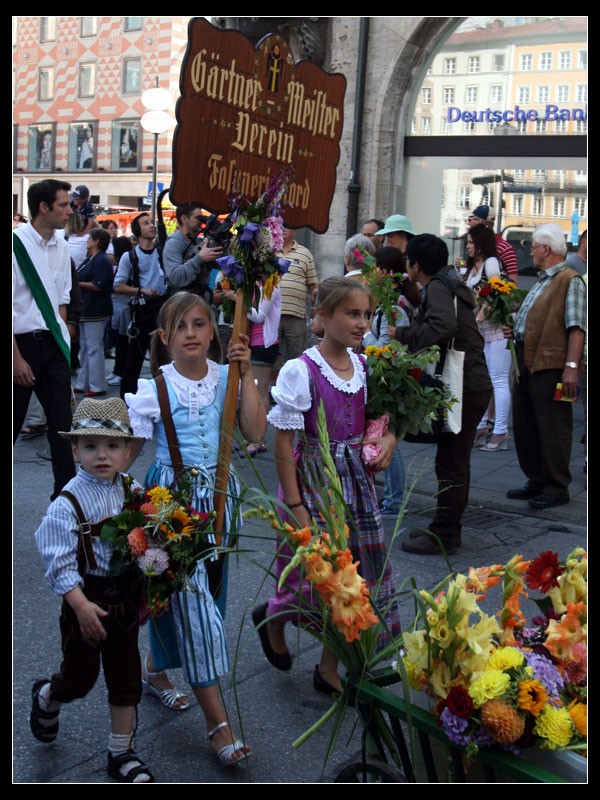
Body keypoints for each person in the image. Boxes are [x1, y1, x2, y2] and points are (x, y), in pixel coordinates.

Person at [125, 291, 265, 766]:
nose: (191, 334)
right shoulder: (155, 387)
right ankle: (217, 724)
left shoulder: (230, 377)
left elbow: (255, 433)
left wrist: (247, 375)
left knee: (205, 603)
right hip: (173, 509)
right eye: (181, 327)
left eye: (200, 324)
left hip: (224, 505)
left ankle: (155, 668)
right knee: (198, 612)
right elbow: (127, 455)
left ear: (214, 334)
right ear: (165, 339)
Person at [253, 276, 400, 694]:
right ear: (323, 315)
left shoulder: (366, 365)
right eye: (352, 313)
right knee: (314, 579)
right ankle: (274, 616)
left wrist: (387, 438)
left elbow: (382, 418)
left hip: (355, 483)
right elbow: (283, 442)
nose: (362, 323)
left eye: (367, 314)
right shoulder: (303, 370)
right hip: (314, 481)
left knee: (352, 577)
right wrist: (296, 505)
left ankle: (328, 668)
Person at [31, 397, 154, 783]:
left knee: (126, 675)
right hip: (85, 601)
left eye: (112, 446)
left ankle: (121, 752)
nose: (102, 455)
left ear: (127, 451)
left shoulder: (132, 490)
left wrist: (154, 582)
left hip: (125, 600)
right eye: (90, 446)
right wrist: (80, 605)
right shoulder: (67, 503)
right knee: (79, 678)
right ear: (74, 450)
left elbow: (148, 538)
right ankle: (49, 695)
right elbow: (58, 560)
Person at [390, 234, 492, 556]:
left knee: (450, 462)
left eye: (408, 260)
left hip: (463, 384)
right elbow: (447, 319)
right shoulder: (448, 282)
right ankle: (448, 530)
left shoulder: (437, 286)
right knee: (456, 461)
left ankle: (444, 535)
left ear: (415, 264)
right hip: (472, 382)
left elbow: (442, 328)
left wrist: (401, 334)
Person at [504, 223, 586, 510]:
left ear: (547, 249)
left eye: (534, 246)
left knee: (553, 427)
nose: (531, 251)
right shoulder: (543, 279)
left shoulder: (569, 279)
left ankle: (556, 485)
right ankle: (537, 479)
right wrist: (514, 328)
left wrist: (572, 367)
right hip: (529, 360)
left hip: (551, 364)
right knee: (526, 425)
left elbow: (577, 327)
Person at [13, 178, 77, 500]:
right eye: (64, 204)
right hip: (20, 346)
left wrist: (60, 342)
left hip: (52, 345)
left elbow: (61, 300)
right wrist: (16, 359)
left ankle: (66, 500)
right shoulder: (15, 244)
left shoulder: (63, 246)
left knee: (63, 429)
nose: (70, 210)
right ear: (43, 207)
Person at [364, 246, 422, 518]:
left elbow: (387, 350)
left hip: (391, 380)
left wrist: (364, 334)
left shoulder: (395, 306)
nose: (371, 275)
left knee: (390, 440)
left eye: (374, 268)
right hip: (387, 379)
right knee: (385, 436)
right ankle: (390, 499)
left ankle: (395, 502)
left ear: (385, 272)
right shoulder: (390, 301)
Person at [465, 224, 512, 452]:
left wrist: (479, 319)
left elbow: (496, 292)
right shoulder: (474, 266)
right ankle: (483, 426)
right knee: (486, 379)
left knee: (498, 379)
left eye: (471, 242)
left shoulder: (492, 263)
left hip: (496, 328)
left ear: (481, 244)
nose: (468, 246)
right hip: (483, 331)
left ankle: (500, 430)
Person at [113, 213, 168, 400]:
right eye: (146, 223)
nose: (151, 226)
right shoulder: (130, 257)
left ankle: (163, 403)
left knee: (163, 362)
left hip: (162, 311)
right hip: (142, 313)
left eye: (151, 223)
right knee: (134, 363)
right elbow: (118, 285)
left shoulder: (162, 253)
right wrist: (141, 290)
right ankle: (126, 404)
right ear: (137, 230)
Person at [73, 228, 114, 397]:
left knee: (93, 348)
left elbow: (99, 285)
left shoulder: (101, 260)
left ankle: (96, 385)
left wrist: (78, 283)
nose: (87, 240)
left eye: (90, 238)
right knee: (85, 347)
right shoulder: (93, 259)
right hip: (87, 309)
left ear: (96, 241)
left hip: (95, 310)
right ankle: (83, 382)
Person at [244, 280, 282, 456]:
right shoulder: (257, 285)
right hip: (254, 342)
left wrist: (239, 302)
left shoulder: (271, 286)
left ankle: (259, 438)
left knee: (260, 391)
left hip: (264, 343)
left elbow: (259, 316)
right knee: (251, 389)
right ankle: (252, 435)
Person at [161, 202, 224, 297]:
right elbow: (176, 277)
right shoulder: (174, 243)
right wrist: (200, 258)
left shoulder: (197, 241)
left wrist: (218, 239)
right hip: (182, 302)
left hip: (200, 298)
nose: (201, 221)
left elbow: (221, 264)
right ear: (184, 219)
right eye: (197, 218)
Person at [277, 227, 319, 363]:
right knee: (271, 359)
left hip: (296, 315)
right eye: (281, 225)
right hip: (271, 314)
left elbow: (313, 286)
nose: (283, 229)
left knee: (297, 358)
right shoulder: (268, 251)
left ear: (295, 231)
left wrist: (315, 309)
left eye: (288, 225)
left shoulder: (305, 254)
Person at [106, 236, 134, 387]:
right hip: (118, 305)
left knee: (122, 341)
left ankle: (120, 371)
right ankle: (118, 370)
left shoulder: (127, 262)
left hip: (123, 305)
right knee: (118, 340)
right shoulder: (123, 262)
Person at [466, 205, 519, 284]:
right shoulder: (475, 248)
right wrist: (463, 267)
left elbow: (512, 282)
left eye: (471, 219)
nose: (469, 222)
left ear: (479, 222)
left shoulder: (505, 248)